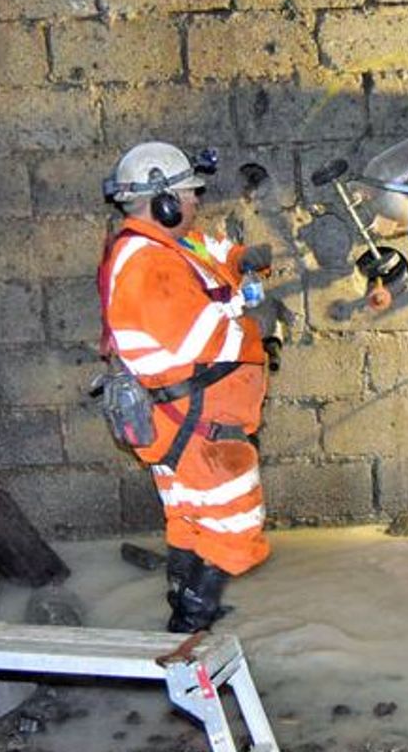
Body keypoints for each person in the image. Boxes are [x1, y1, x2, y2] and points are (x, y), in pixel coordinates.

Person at [97, 141, 273, 632]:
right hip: (196, 423)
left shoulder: (167, 244)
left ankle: (189, 602)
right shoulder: (146, 264)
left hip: (184, 421)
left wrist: (243, 260)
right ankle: (192, 624)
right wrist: (257, 323)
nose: (197, 202)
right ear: (163, 201)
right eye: (189, 195)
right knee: (233, 523)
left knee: (192, 515)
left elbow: (211, 253)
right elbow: (201, 340)